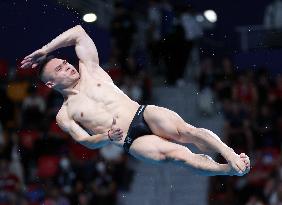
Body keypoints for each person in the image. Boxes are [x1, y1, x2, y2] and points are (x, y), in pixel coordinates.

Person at [20, 25, 250, 176]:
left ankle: (229, 153)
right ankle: (227, 170)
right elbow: (85, 141)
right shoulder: (64, 114)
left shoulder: (90, 69)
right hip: (131, 141)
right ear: (50, 84)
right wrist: (106, 137)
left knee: (187, 132)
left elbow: (79, 32)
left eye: (64, 62)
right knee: (180, 157)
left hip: (143, 113)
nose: (67, 66)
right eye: (59, 68)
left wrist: (45, 49)